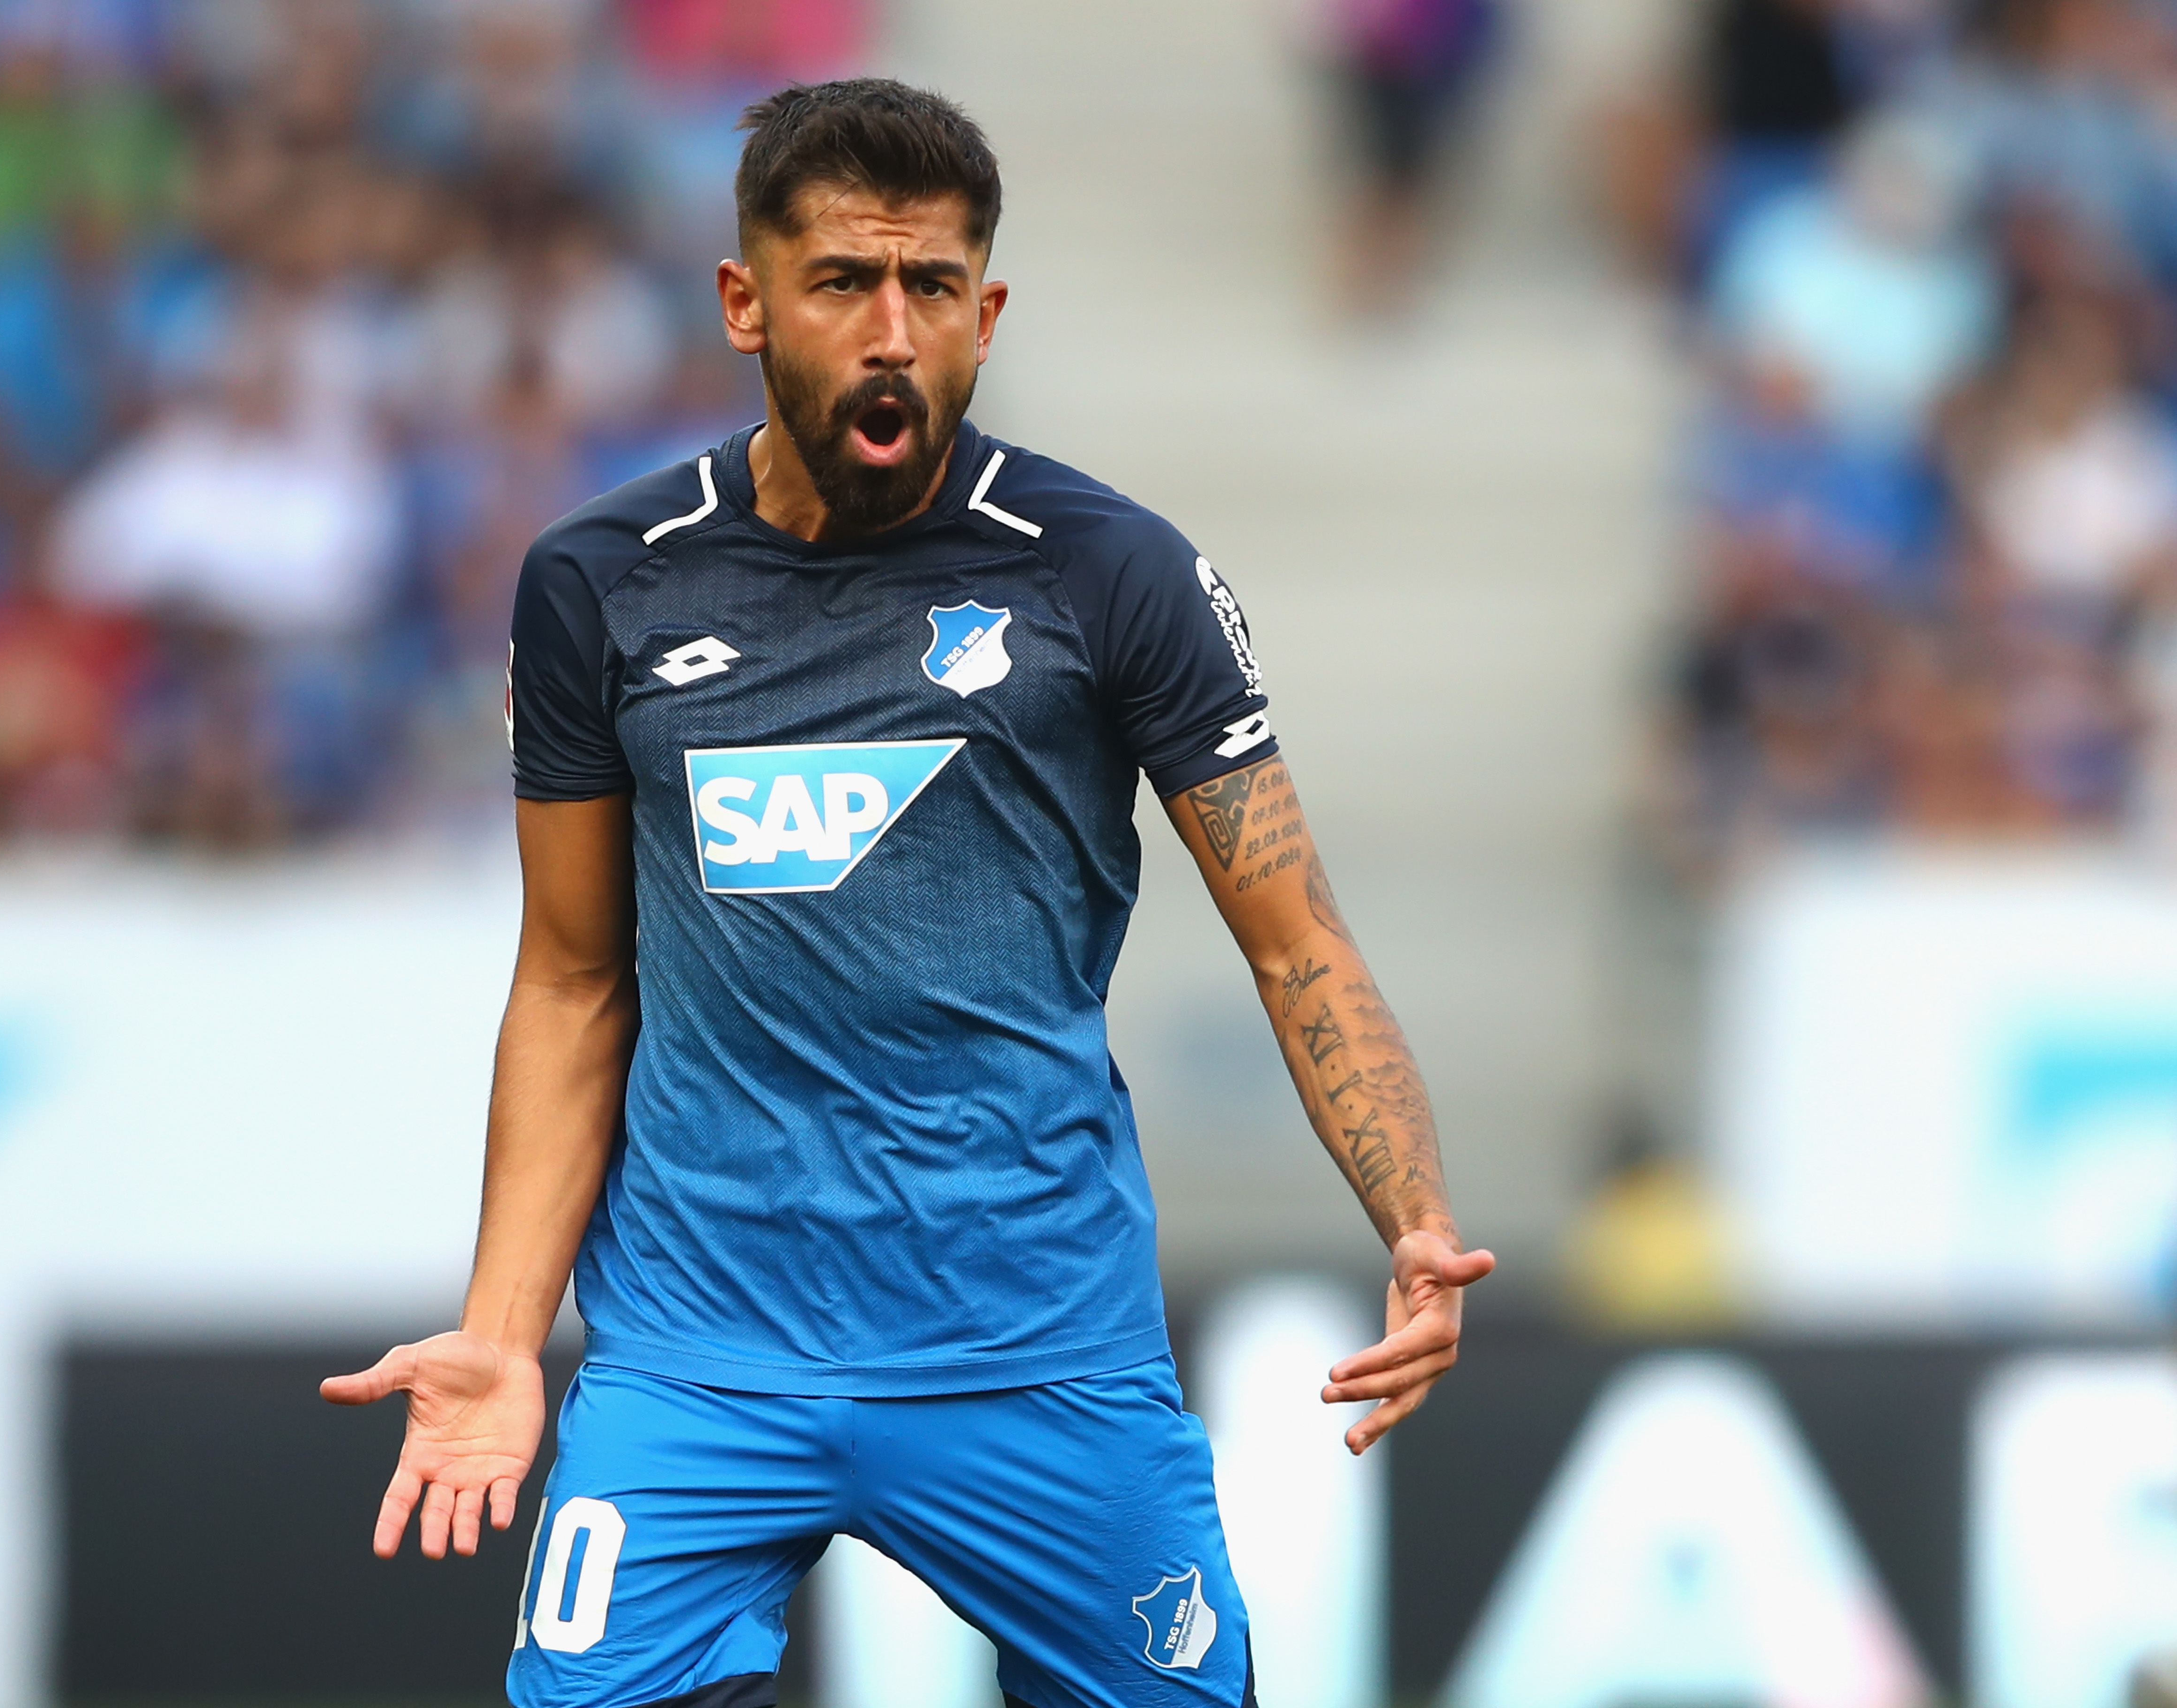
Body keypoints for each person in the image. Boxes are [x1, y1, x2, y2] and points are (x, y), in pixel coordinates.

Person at [322, 79, 1493, 1708]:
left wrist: (1416, 1219)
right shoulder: (602, 584)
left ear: (984, 315)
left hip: (1037, 1349)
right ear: (745, 302)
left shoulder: (1110, 574)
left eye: (932, 287)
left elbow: (1297, 944)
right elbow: (576, 981)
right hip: (700, 1358)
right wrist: (505, 1333)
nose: (893, 334)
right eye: (844, 283)